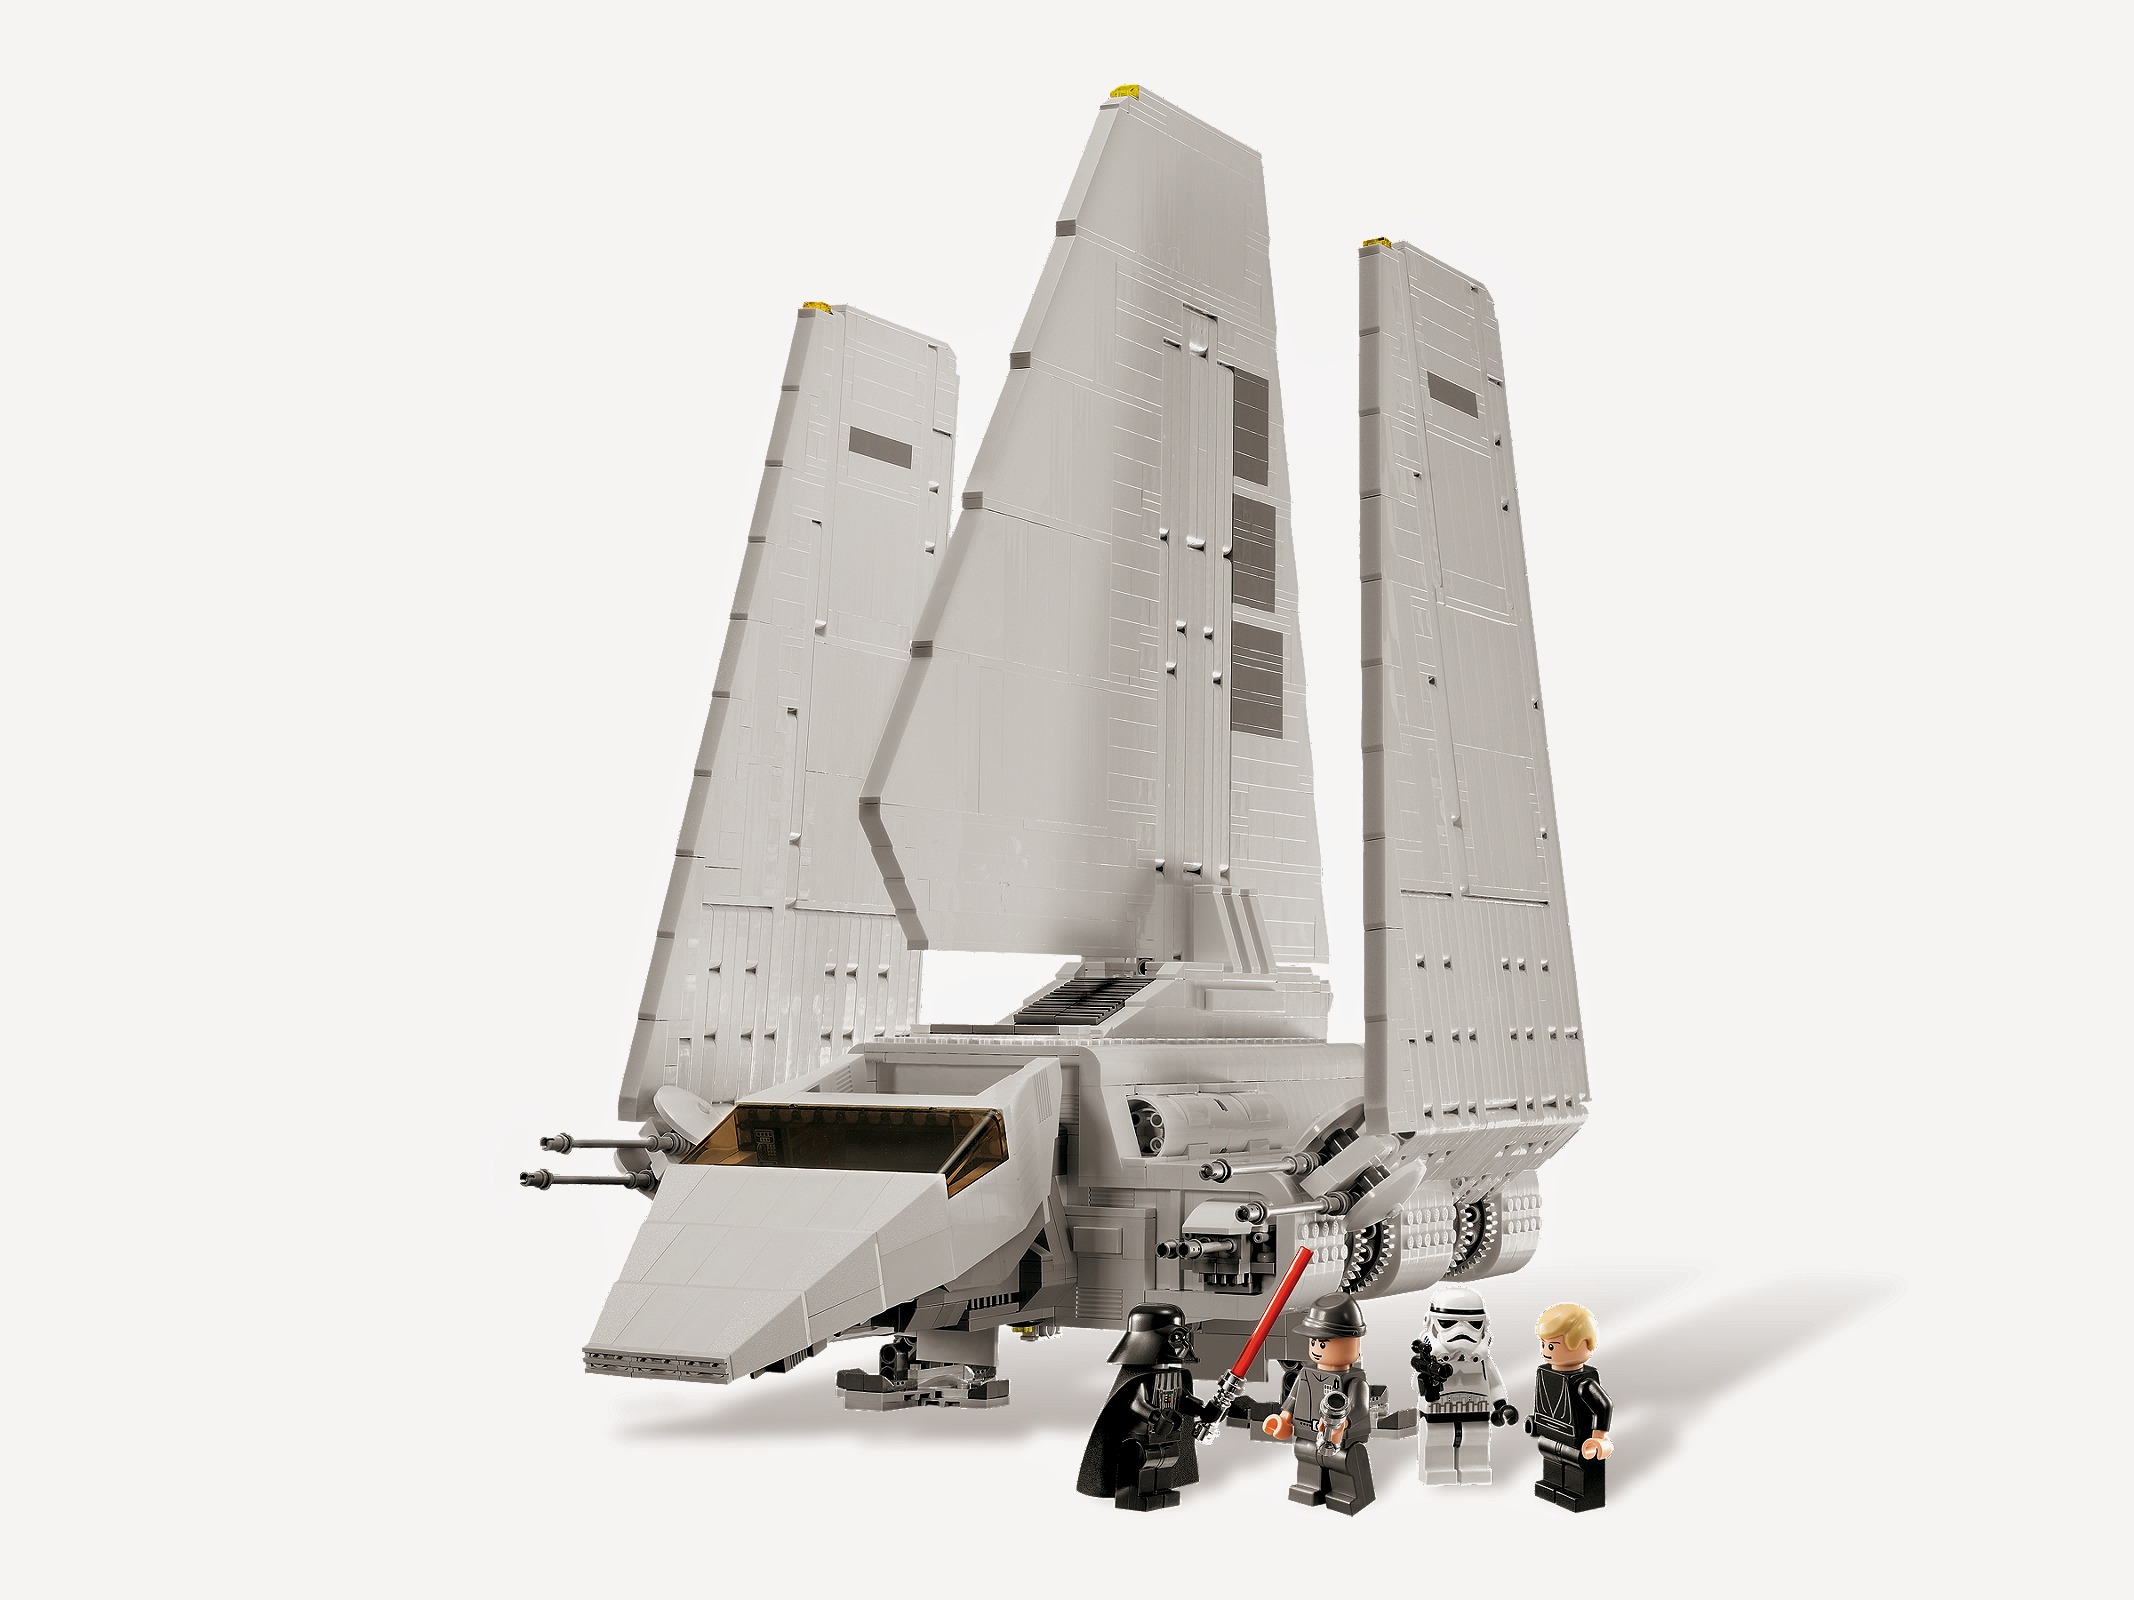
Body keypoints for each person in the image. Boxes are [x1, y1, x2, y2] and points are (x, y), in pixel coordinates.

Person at [1076, 1303, 1210, 1511]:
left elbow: (1183, 1399)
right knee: (1143, 1462)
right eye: (1176, 1338)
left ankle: (1161, 1492)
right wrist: (1155, 1417)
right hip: (1141, 1436)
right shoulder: (1140, 1379)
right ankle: (1134, 1496)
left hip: (1166, 1434)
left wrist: (1203, 1410)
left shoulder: (1176, 1376)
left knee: (1167, 1459)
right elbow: (1137, 1404)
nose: (1182, 1346)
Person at [1262, 1293, 1376, 1515]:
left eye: (1323, 1343)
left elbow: (1359, 1409)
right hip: (1307, 1433)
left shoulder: (1355, 1381)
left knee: (1343, 1462)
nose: (1316, 1347)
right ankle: (1310, 1487)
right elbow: (1293, 1399)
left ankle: (1347, 1494)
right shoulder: (1306, 1373)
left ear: (1353, 1344)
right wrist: (1283, 1419)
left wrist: (1341, 1425)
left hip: (1339, 1439)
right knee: (1305, 1455)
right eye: (1313, 1342)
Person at [1525, 1301, 1613, 1512]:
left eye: (1552, 1346)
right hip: (1550, 1434)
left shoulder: (1584, 1382)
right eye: (1544, 1344)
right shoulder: (1545, 1373)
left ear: (1583, 1344)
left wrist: (1599, 1436)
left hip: (1579, 1442)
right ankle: (1552, 1485)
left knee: (1577, 1464)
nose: (1546, 1350)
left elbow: (1603, 1405)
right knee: (1551, 1459)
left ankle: (1580, 1494)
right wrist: (1536, 1422)